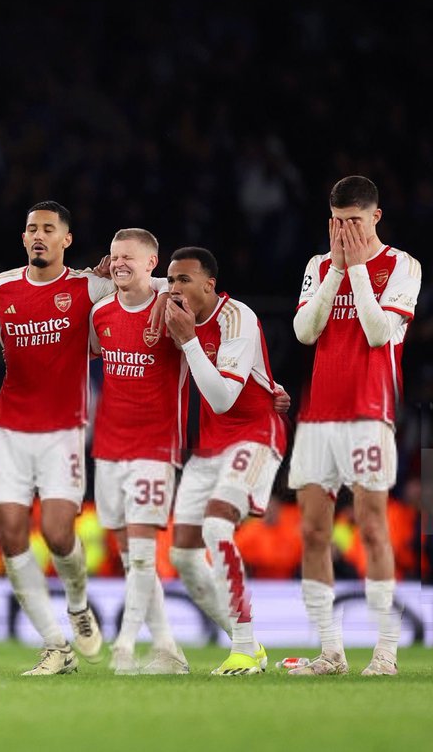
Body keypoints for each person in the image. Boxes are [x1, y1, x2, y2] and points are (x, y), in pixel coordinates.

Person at [0, 201, 123, 675]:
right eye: (32, 228)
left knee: (57, 534)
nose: (38, 235)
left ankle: (78, 605)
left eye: (48, 229)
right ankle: (56, 646)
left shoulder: (88, 287)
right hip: (10, 429)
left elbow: (144, 292)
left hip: (63, 431)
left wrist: (135, 274)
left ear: (65, 240)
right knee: (11, 535)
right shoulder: (3, 287)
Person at [288, 176, 421, 677]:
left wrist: (358, 271)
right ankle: (331, 653)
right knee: (314, 532)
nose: (345, 233)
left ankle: (385, 652)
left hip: (370, 412)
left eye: (355, 222)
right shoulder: (318, 266)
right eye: (338, 223)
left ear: (376, 218)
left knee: (371, 526)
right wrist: (336, 274)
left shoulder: (403, 265)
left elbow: (378, 330)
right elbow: (303, 332)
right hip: (318, 415)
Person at [164, 246, 288, 675]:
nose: (174, 287)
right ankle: (249, 644)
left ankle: (241, 648)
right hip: (209, 447)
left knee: (217, 526)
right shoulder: (171, 313)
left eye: (183, 279)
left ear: (208, 283)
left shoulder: (239, 317)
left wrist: (189, 342)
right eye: (171, 279)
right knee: (181, 555)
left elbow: (221, 399)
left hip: (254, 436)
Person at [89, 229, 187, 675]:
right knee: (131, 556)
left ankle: (125, 647)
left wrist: (169, 290)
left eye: (128, 257)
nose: (119, 264)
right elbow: (88, 352)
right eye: (114, 257)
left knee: (145, 553)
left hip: (155, 443)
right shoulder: (101, 313)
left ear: (153, 263)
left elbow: (206, 292)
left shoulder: (174, 309)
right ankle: (168, 646)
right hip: (109, 445)